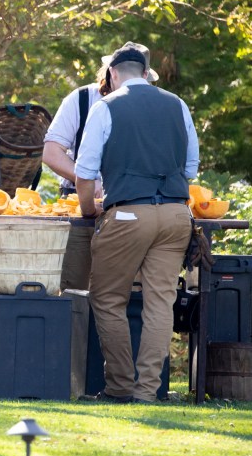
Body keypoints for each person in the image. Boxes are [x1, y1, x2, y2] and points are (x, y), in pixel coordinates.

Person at [75, 42, 198, 403]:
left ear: (112, 74)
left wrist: (88, 210)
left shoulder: (106, 107)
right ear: (146, 73)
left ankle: (119, 387)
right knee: (160, 302)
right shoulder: (178, 104)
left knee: (108, 298)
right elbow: (190, 169)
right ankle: (147, 392)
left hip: (128, 213)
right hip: (177, 214)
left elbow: (84, 173)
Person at [43, 43, 159, 291]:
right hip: (78, 206)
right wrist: (87, 180)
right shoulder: (81, 99)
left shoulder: (152, 108)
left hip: (132, 210)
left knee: (123, 293)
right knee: (74, 289)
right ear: (111, 72)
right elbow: (51, 153)